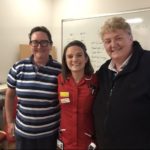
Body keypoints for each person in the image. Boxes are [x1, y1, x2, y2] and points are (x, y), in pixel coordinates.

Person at [93, 16, 150, 149]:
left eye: (118, 38)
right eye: (107, 41)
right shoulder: (104, 70)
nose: (113, 45)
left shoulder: (147, 64)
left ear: (130, 38)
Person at [5, 26, 61, 150]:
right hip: (23, 134)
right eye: (35, 42)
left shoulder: (60, 70)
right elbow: (9, 96)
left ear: (50, 45)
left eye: (44, 42)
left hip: (49, 135)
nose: (39, 46)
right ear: (30, 45)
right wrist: (9, 122)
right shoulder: (18, 67)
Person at [57, 40, 98, 150]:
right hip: (65, 141)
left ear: (86, 58)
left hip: (88, 141)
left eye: (79, 55)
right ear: (65, 61)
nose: (74, 59)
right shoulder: (60, 80)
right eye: (70, 56)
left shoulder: (95, 81)